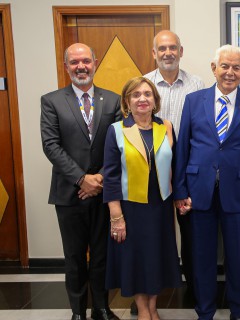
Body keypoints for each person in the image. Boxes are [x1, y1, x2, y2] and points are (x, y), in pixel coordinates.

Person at [173, 44, 240, 320]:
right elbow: (183, 149)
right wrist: (180, 190)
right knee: (202, 258)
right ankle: (204, 311)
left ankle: (238, 311)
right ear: (213, 68)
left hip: (239, 194)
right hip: (198, 191)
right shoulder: (194, 101)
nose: (230, 72)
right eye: (224, 66)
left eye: (236, 67)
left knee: (238, 258)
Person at [40, 43, 122, 320]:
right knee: (74, 257)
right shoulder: (51, 101)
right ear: (66, 67)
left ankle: (101, 307)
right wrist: (80, 179)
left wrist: (98, 178)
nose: (81, 67)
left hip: (102, 191)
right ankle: (78, 311)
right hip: (69, 194)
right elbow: (51, 146)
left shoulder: (112, 101)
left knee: (102, 255)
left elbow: (120, 145)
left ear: (95, 63)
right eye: (74, 62)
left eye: (85, 61)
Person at [103, 76, 182, 320]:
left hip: (160, 204)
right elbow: (111, 175)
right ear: (127, 101)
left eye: (147, 94)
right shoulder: (116, 130)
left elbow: (175, 167)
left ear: (155, 100)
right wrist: (116, 216)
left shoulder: (166, 127)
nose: (142, 99)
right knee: (135, 258)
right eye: (136, 95)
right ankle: (144, 310)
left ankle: (154, 306)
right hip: (131, 206)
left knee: (156, 255)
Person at [144, 30, 204, 299]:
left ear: (181, 51)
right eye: (162, 48)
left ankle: (195, 289)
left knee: (191, 234)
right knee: (151, 231)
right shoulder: (142, 85)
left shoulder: (198, 84)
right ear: (153, 53)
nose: (167, 53)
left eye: (173, 48)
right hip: (148, 169)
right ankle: (149, 289)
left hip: (187, 166)